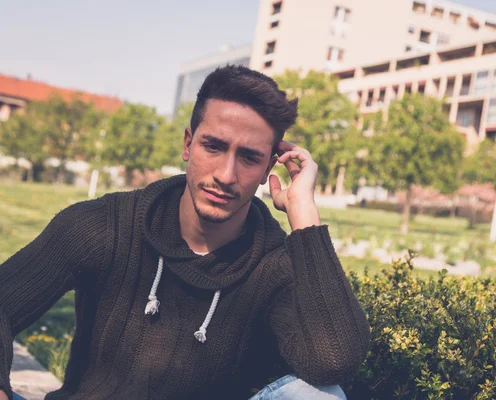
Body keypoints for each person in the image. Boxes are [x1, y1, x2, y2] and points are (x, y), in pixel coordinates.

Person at [0, 66, 370, 400]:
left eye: (249, 157)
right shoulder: (106, 225)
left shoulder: (273, 265)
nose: (226, 175)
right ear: (187, 143)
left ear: (269, 167)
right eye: (214, 146)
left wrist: (303, 215)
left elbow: (333, 363)